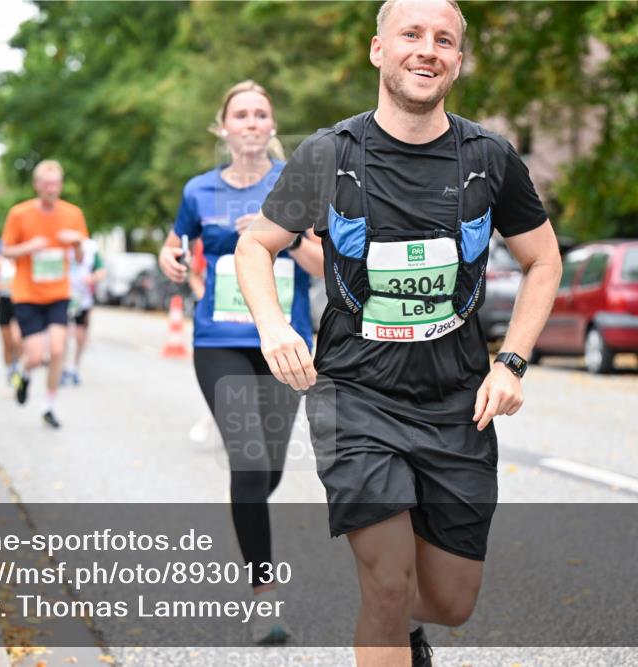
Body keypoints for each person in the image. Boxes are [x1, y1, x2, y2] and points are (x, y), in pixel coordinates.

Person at [235, 2, 562, 664]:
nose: (428, 49)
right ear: (378, 49)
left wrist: (513, 363)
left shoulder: (490, 157)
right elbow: (256, 247)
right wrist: (272, 325)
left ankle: (406, 628)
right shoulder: (329, 153)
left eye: (444, 40)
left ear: (459, 62)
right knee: (387, 582)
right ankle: (387, 617)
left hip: (456, 400)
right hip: (357, 394)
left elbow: (544, 260)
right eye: (411, 34)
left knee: (450, 601)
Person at [157, 80, 324, 645]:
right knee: (250, 463)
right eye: (242, 115)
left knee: (268, 469)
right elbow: (175, 241)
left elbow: (327, 266)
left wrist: (281, 240)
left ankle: (245, 510)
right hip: (219, 341)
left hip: (286, 341)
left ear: (272, 128)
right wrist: (170, 257)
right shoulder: (198, 190)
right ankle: (264, 597)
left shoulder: (297, 185)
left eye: (261, 114)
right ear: (223, 128)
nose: (252, 123)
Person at [0, 159, 88, 429]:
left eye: (56, 183)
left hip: (58, 292)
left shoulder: (73, 214)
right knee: (36, 356)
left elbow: (81, 256)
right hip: (27, 294)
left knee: (59, 348)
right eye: (47, 183)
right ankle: (25, 376)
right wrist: (28, 247)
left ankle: (49, 406)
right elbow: (5, 251)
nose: (52, 188)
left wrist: (75, 242)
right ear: (37, 185)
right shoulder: (19, 213)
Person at [62, 236, 105, 386]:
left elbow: (101, 270)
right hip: (63, 297)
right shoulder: (62, 243)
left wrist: (93, 278)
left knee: (80, 337)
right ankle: (63, 368)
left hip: (83, 300)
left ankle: (74, 368)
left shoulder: (91, 248)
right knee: (63, 336)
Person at [0, 239, 22, 387]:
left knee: (18, 340)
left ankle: (17, 367)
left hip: (20, 302)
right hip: (5, 302)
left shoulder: (22, 260)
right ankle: (9, 370)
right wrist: (6, 285)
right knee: (7, 342)